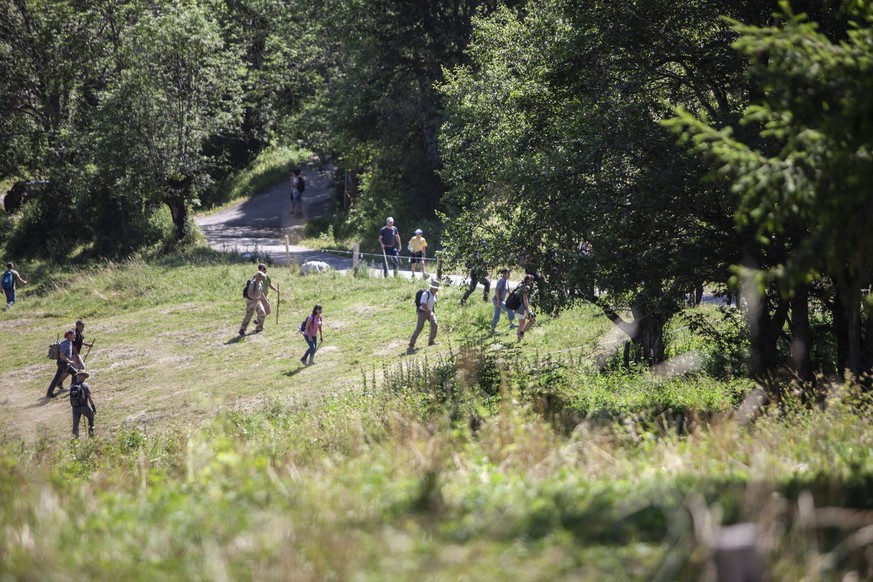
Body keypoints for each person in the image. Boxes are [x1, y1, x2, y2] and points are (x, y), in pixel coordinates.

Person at [408, 279, 440, 351]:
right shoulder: (425, 294)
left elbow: (432, 304)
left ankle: (431, 341)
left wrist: (433, 312)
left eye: (437, 288)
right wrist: (430, 312)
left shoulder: (435, 295)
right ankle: (411, 343)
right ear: (432, 287)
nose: (437, 290)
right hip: (422, 312)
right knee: (419, 328)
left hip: (430, 312)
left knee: (435, 324)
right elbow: (423, 305)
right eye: (436, 288)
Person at [46, 329, 76, 398]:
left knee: (56, 378)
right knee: (75, 373)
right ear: (69, 335)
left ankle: (49, 394)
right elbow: (62, 355)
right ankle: (73, 389)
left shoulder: (70, 342)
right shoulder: (65, 344)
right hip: (62, 363)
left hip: (62, 363)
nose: (75, 336)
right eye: (74, 335)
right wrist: (69, 361)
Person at [69, 370, 96, 439]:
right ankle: (91, 436)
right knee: (91, 418)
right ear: (83, 377)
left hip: (75, 407)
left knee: (75, 425)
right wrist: (93, 408)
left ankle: (74, 441)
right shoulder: (85, 385)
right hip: (84, 406)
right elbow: (89, 398)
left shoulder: (72, 386)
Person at [490, 268, 517, 335]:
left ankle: (492, 330)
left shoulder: (506, 281)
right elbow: (497, 290)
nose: (509, 274)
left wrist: (513, 295)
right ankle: (511, 325)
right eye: (508, 273)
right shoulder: (502, 280)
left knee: (497, 315)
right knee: (509, 308)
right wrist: (498, 300)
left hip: (500, 300)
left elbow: (508, 291)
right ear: (504, 273)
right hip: (497, 300)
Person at [239, 271, 266, 336]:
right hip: (251, 302)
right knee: (249, 315)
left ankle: (259, 328)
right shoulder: (252, 283)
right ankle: (242, 329)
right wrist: (255, 298)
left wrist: (264, 299)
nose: (262, 278)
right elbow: (249, 294)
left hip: (258, 302)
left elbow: (261, 292)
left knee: (262, 313)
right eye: (261, 277)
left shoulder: (261, 282)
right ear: (258, 276)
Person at [514, 274, 537, 342]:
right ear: (529, 280)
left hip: (517, 307)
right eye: (531, 280)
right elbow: (525, 298)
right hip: (523, 308)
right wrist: (528, 310)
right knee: (533, 320)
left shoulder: (520, 285)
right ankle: (521, 333)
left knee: (521, 323)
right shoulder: (527, 287)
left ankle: (519, 338)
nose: (532, 282)